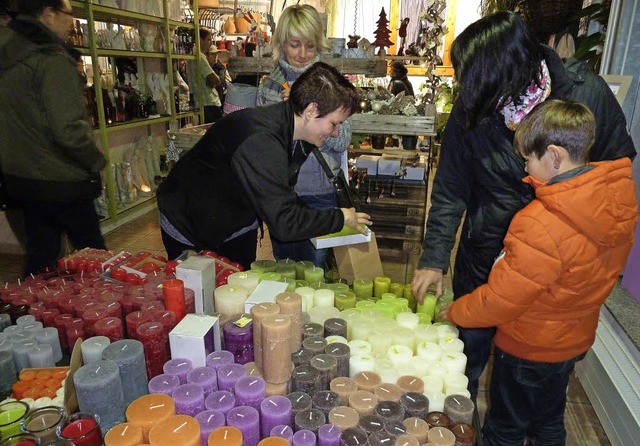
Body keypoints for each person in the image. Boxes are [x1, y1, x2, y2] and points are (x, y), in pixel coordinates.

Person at [411, 11, 636, 400]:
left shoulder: (584, 93)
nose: (467, 91)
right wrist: (433, 258)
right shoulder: (475, 103)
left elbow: (616, 180)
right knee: (464, 359)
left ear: (507, 71)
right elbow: (450, 188)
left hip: (559, 276)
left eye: (473, 80)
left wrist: (594, 265)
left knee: (531, 382)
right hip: (485, 253)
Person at [439, 99, 637, 445]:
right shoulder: (616, 203)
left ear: (555, 156)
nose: (525, 169)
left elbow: (503, 298)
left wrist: (457, 312)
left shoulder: (540, 223)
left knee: (505, 427)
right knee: (548, 420)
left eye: (529, 158)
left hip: (528, 347)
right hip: (572, 340)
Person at [156, 62, 371, 270]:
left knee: (236, 288)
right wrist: (340, 217)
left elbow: (281, 195)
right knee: (198, 296)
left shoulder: (294, 132)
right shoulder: (261, 140)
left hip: (235, 218)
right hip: (189, 221)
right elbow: (284, 223)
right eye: (334, 123)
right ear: (311, 110)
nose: (335, 132)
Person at [0, 0, 107, 276]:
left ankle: (33, 315)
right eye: (68, 14)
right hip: (62, 178)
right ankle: (103, 312)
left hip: (21, 176)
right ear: (48, 14)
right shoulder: (48, 58)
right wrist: (95, 163)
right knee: (94, 256)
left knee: (42, 257)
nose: (71, 23)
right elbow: (68, 129)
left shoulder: (10, 51)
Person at [257, 4, 351, 267]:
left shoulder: (333, 84)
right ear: (282, 43)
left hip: (319, 192)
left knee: (315, 270)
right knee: (284, 268)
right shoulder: (270, 86)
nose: (302, 54)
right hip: (281, 193)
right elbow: (261, 143)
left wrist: (314, 112)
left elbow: (343, 141)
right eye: (294, 44)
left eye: (310, 46)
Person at [187, 27, 222, 124]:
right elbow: (215, 80)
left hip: (199, 102)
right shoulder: (199, 56)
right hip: (208, 102)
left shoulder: (190, 54)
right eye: (208, 39)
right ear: (200, 40)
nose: (210, 43)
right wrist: (216, 79)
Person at [388, 61, 417, 150]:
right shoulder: (405, 81)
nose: (389, 72)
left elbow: (392, 100)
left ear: (396, 71)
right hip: (406, 117)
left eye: (391, 69)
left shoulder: (397, 82)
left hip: (399, 117)